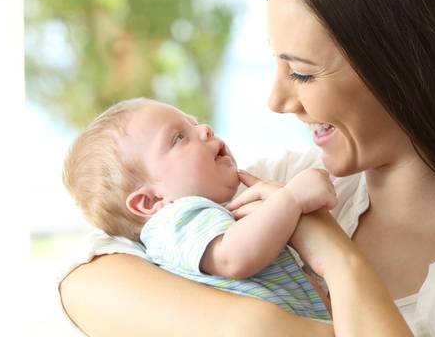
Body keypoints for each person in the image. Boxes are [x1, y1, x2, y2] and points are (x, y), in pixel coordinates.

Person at [58, 0, 435, 336]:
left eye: (301, 72)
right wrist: (258, 326)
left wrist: (335, 255)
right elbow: (87, 275)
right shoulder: (281, 180)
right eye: (277, 65)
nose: (278, 100)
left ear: (409, 66)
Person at [62, 97, 338, 321]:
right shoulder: (176, 220)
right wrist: (291, 198)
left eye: (193, 124)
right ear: (150, 201)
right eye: (179, 137)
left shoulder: (207, 215)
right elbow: (233, 257)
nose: (205, 129)